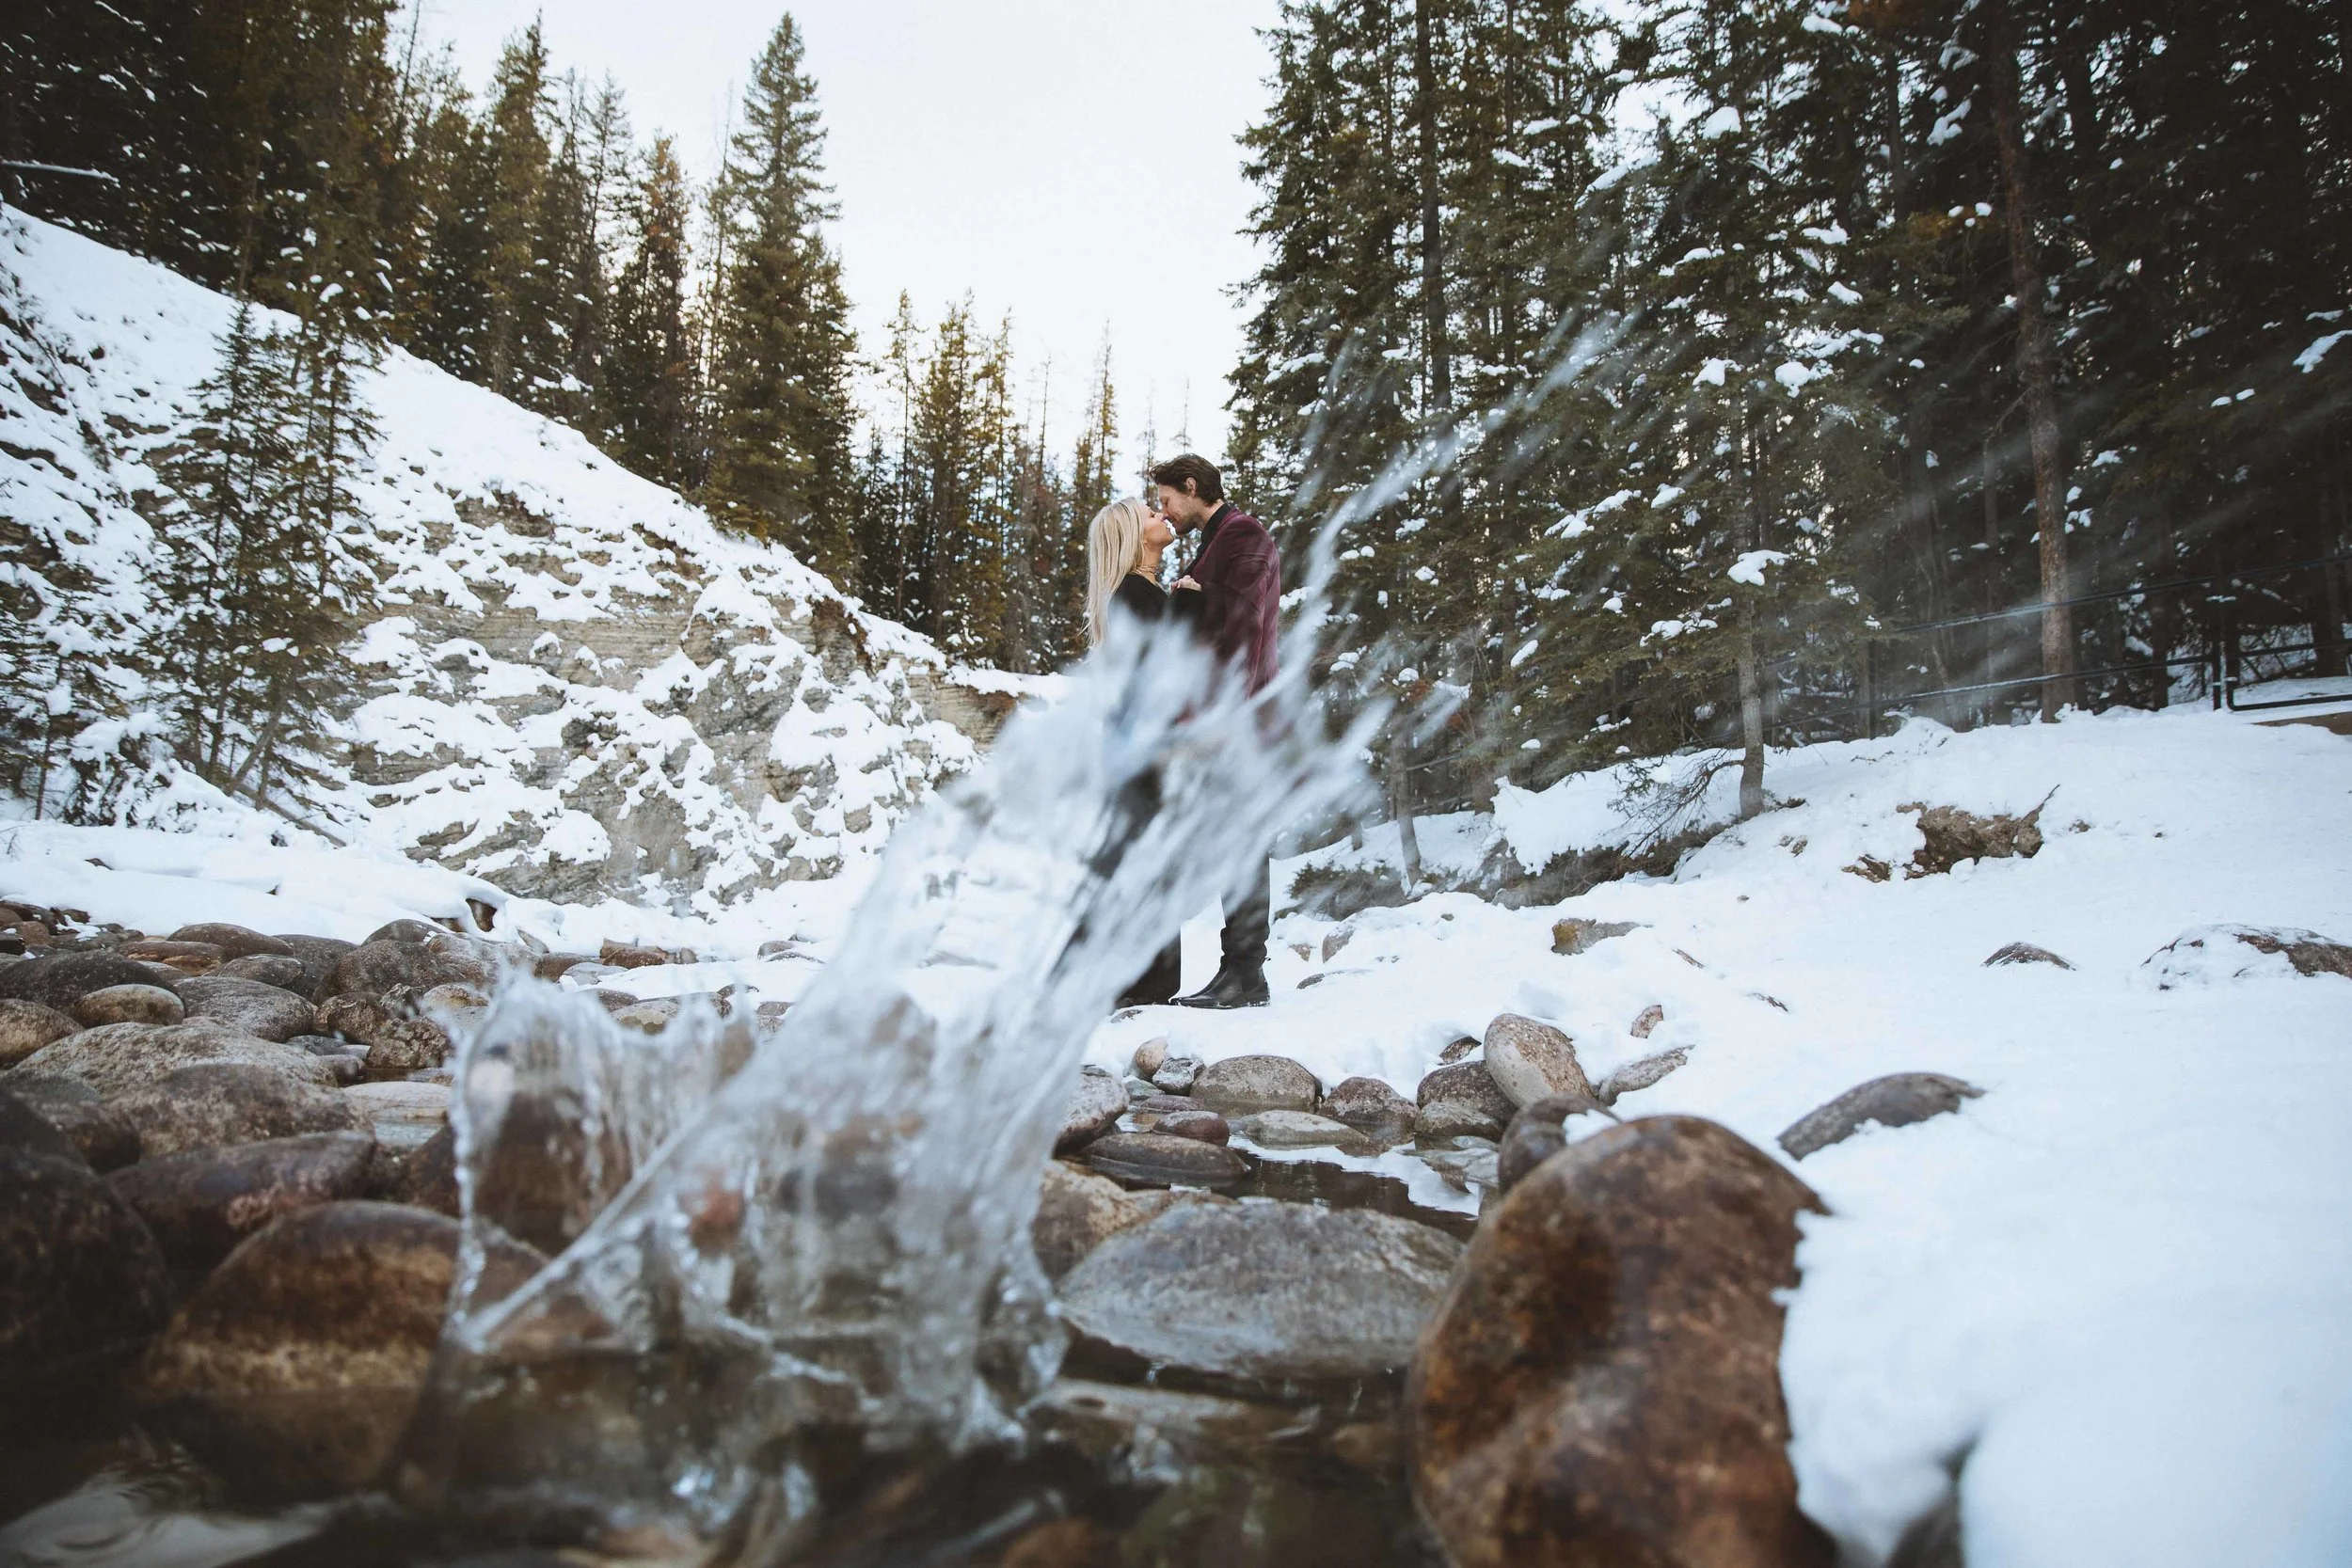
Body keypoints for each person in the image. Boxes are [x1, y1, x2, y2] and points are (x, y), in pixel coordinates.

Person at [1151, 453, 1281, 1009]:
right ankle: (1239, 972)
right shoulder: (1217, 540)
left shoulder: (1243, 535)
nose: (1165, 512)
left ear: (1190, 486)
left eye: (1166, 500)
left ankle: (1247, 975)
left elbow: (1245, 632)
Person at [1084, 498, 1186, 1008]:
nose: (1161, 516)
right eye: (1151, 513)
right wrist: (1190, 606)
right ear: (1132, 534)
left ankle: (1136, 980)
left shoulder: (1139, 594)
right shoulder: (1133, 595)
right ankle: (1141, 984)